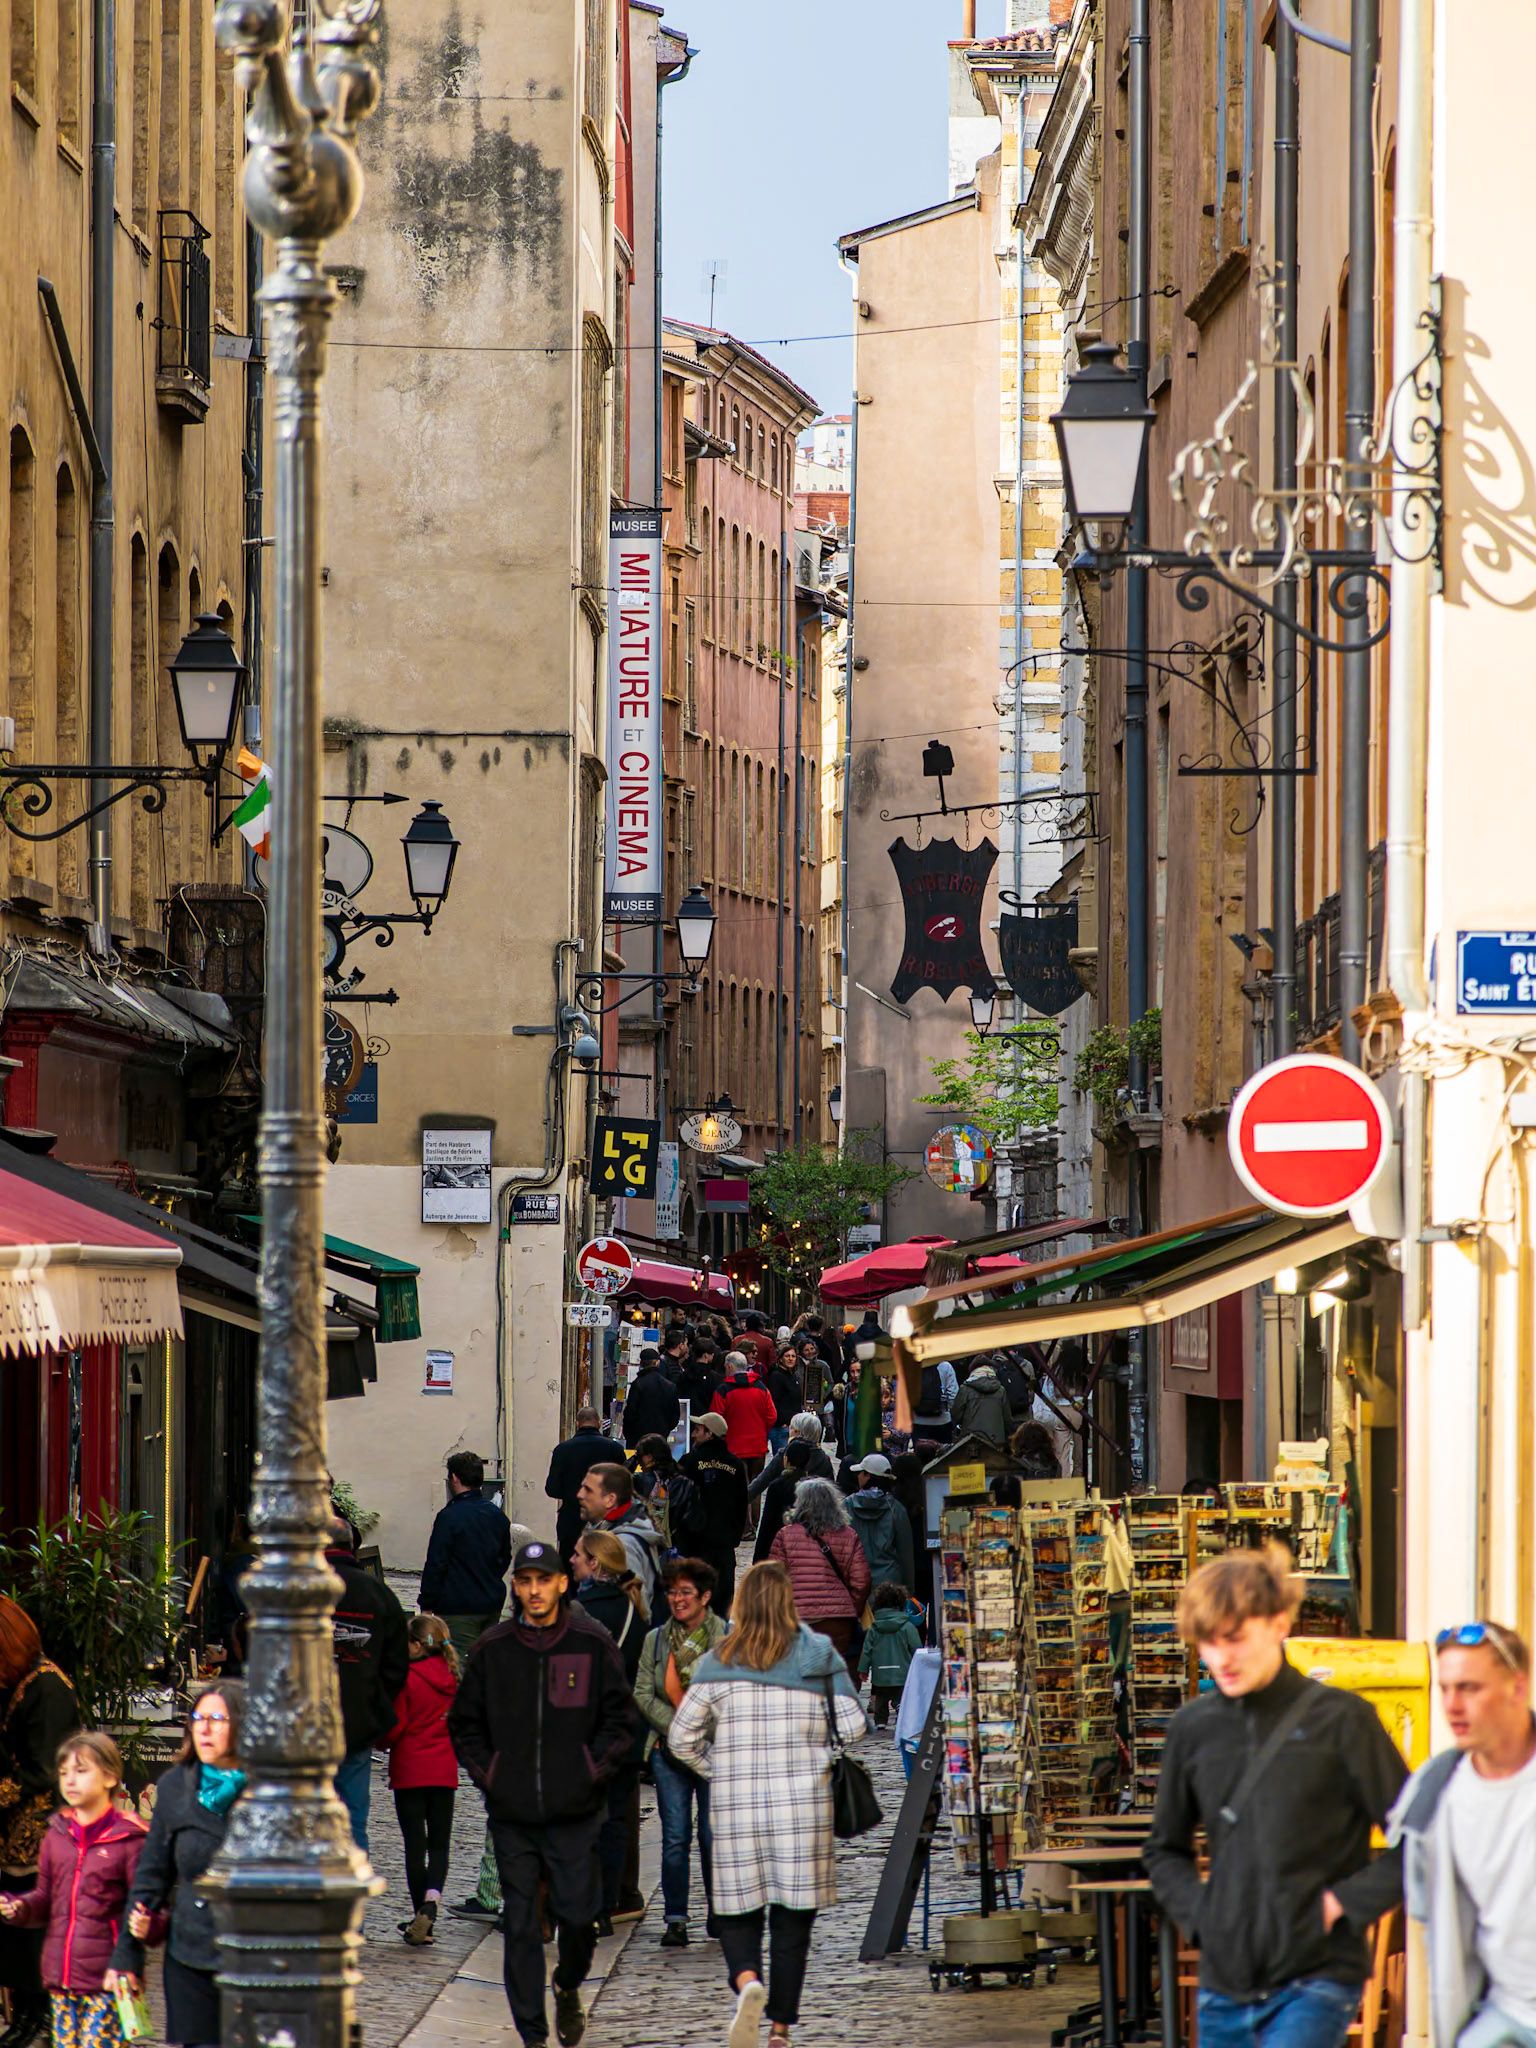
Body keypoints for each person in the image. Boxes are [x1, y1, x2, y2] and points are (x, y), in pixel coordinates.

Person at [1144, 1547, 1407, 2048]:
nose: (1220, 1658)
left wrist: (1342, 1904)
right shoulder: (1192, 1728)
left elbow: (1420, 1838)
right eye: (1207, 1642)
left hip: (1319, 1973)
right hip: (1225, 1982)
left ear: (1280, 1623)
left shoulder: (1343, 1721)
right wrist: (1202, 1918)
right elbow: (1165, 1850)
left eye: (1235, 1639)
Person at [669, 1561, 867, 2048]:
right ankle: (779, 2027)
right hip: (803, 1807)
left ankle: (747, 1982)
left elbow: (681, 1738)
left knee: (737, 1912)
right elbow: (855, 1724)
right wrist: (819, 1751)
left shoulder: (718, 1659)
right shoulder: (818, 1652)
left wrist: (721, 1769)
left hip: (736, 1808)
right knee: (792, 1921)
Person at [448, 1540, 636, 2048]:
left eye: (543, 1580)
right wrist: (492, 1774)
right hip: (513, 1814)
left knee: (579, 1919)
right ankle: (532, 2035)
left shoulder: (590, 1642)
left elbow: (620, 1720)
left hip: (575, 1810)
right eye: (524, 1580)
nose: (534, 1590)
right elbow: (464, 1723)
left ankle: (569, 1986)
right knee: (522, 1925)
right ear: (516, 1586)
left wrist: (590, 1770)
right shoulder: (494, 1647)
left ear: (561, 1583)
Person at [1385, 1620, 1536, 2048]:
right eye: (1445, 1688)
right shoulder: (1433, 1795)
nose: (1452, 1705)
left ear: (1517, 1688)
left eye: (1470, 1688)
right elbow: (1428, 1912)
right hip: (1501, 2021)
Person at [110, 1686, 247, 2048]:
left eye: (217, 1719)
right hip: (189, 1953)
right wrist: (128, 1954)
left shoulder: (268, 1793)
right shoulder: (176, 1786)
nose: (204, 1729)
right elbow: (151, 1875)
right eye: (198, 1719)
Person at [0, 1732, 155, 2048]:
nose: (69, 1780)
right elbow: (45, 1897)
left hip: (108, 1979)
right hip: (62, 1977)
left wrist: (129, 1959)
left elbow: (143, 1907)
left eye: (81, 1771)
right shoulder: (57, 1835)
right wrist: (19, 1908)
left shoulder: (130, 1838)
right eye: (63, 1773)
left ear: (110, 1776)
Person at [635, 1558, 729, 1950]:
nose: (676, 1600)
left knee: (711, 1837)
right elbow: (642, 1692)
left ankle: (718, 1913)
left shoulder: (726, 1641)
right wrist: (676, 1727)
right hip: (667, 1751)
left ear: (705, 1597)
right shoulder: (656, 1640)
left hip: (713, 1752)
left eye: (685, 1592)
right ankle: (675, 1918)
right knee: (675, 1837)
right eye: (671, 1592)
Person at [0, 1596, 81, 2048]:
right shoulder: (19, 1684)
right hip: (18, 1833)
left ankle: (43, 2020)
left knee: (36, 1931)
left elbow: (44, 1769)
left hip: (44, 1831)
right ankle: (28, 2017)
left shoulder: (46, 1687)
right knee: (17, 1931)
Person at [570, 1531, 648, 1937]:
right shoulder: (638, 1608)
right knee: (618, 1819)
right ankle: (607, 1905)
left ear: (595, 1564)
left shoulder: (581, 1611)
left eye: (579, 1555)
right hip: (629, 1727)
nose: (571, 1560)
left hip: (591, 1729)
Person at [326, 1521, 410, 1852]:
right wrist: (375, 1702)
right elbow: (397, 1665)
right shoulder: (378, 1594)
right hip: (356, 1721)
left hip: (300, 1723)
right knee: (354, 1816)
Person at [383, 1614, 462, 1948]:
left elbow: (395, 1728)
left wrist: (380, 1740)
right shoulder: (453, 1678)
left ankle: (422, 1917)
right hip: (444, 1771)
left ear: (416, 1644)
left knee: (415, 1846)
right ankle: (432, 1903)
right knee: (440, 1846)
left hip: (410, 1771)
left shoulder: (408, 1679)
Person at [419, 1450, 513, 1663]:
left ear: (454, 1478)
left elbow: (436, 1562)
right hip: (491, 1601)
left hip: (458, 1606)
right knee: (485, 1664)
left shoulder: (449, 1516)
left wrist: (427, 1603)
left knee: (456, 1664)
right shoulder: (497, 1515)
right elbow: (504, 1557)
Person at [769, 1478, 870, 1673]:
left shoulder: (785, 1535)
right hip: (837, 1621)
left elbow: (774, 1581)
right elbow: (861, 1581)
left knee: (800, 1675)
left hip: (796, 1618)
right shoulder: (848, 1535)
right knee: (834, 1674)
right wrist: (850, 1609)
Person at [677, 1413, 750, 1614]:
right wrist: (735, 1535)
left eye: (698, 1429)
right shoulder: (735, 1465)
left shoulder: (689, 1462)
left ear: (710, 1434)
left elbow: (680, 1502)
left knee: (693, 1602)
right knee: (721, 1602)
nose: (693, 1434)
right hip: (724, 1545)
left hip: (695, 1543)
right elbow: (742, 1504)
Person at [575, 1463, 668, 1616]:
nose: (580, 1494)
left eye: (588, 1490)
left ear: (610, 1499)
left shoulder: (623, 1544)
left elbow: (638, 1605)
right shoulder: (612, 1529)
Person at [544, 1407, 614, 1567]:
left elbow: (552, 1489)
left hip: (571, 1519)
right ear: (599, 1423)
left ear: (577, 1424)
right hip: (606, 1520)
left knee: (571, 1565)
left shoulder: (563, 1450)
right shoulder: (614, 1450)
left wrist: (570, 1493)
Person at [711, 1354, 779, 1509]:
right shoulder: (761, 1388)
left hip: (733, 1447)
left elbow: (716, 1419)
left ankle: (742, 1528)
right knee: (756, 1488)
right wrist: (761, 1431)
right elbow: (772, 1416)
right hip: (758, 1446)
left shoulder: (723, 1390)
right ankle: (754, 1526)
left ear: (729, 1366)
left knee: (735, 1488)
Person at [845, 1454, 916, 1595]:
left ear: (868, 1476)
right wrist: (910, 1591)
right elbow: (906, 1554)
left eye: (861, 1473)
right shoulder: (897, 1510)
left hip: (856, 1581)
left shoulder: (845, 1506)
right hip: (890, 1584)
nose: (858, 1476)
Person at [859, 1583, 923, 1728]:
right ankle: (901, 1709)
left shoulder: (874, 1628)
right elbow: (916, 1649)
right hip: (902, 1673)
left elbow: (867, 1650)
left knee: (881, 1698)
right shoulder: (907, 1627)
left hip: (880, 1674)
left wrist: (863, 1669)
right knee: (901, 1695)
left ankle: (880, 1721)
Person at [753, 1440, 815, 1563]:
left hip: (781, 1545)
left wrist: (759, 1558)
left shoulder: (779, 1486)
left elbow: (767, 1523)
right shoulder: (813, 1486)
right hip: (808, 1546)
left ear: (786, 1459)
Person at [749, 1415, 835, 1500]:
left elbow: (761, 1482)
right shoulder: (823, 1458)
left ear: (798, 1432)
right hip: (816, 1509)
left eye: (791, 1428)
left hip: (788, 1509)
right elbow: (832, 1492)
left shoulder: (786, 1454)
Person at [621, 1349, 682, 1448]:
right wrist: (665, 1430)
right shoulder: (670, 1386)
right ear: (657, 1363)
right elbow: (675, 1414)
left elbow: (630, 1413)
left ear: (641, 1363)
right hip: (660, 1437)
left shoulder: (638, 1384)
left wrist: (629, 1434)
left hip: (638, 1438)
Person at [949, 1358, 1011, 1447]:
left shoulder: (965, 1389)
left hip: (971, 1441)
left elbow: (956, 1415)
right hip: (997, 1442)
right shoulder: (1001, 1390)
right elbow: (1007, 1418)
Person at [910, 1355, 958, 1444]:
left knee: (922, 1455)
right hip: (942, 1421)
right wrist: (950, 1414)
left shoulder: (911, 1366)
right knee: (943, 1455)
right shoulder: (945, 1366)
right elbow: (953, 1395)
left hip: (918, 1421)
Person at [763, 1351, 802, 1460]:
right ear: (780, 1359)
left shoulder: (792, 1376)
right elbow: (774, 1400)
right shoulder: (776, 1376)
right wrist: (782, 1422)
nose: (790, 1359)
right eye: (787, 1356)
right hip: (781, 1427)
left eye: (793, 1356)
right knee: (782, 1461)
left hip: (792, 1425)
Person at [677, 1343, 724, 1420]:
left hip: (687, 1417)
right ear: (705, 1355)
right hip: (707, 1419)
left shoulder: (684, 1374)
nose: (713, 1355)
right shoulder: (715, 1377)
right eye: (711, 1353)